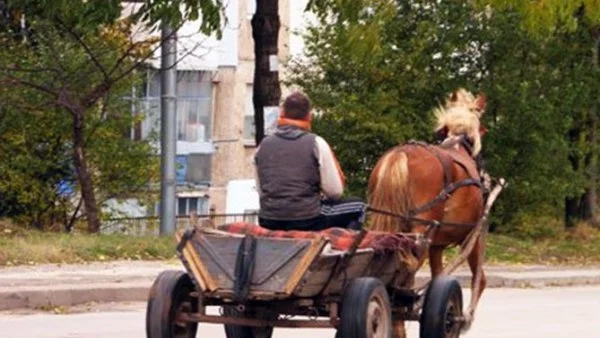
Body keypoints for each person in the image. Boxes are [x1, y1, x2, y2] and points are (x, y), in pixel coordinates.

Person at [254, 92, 365, 231]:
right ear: (309, 116)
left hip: (268, 220)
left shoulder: (262, 146)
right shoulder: (316, 143)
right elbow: (335, 192)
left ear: (282, 114)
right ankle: (343, 247)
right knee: (359, 206)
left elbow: (260, 189)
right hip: (307, 219)